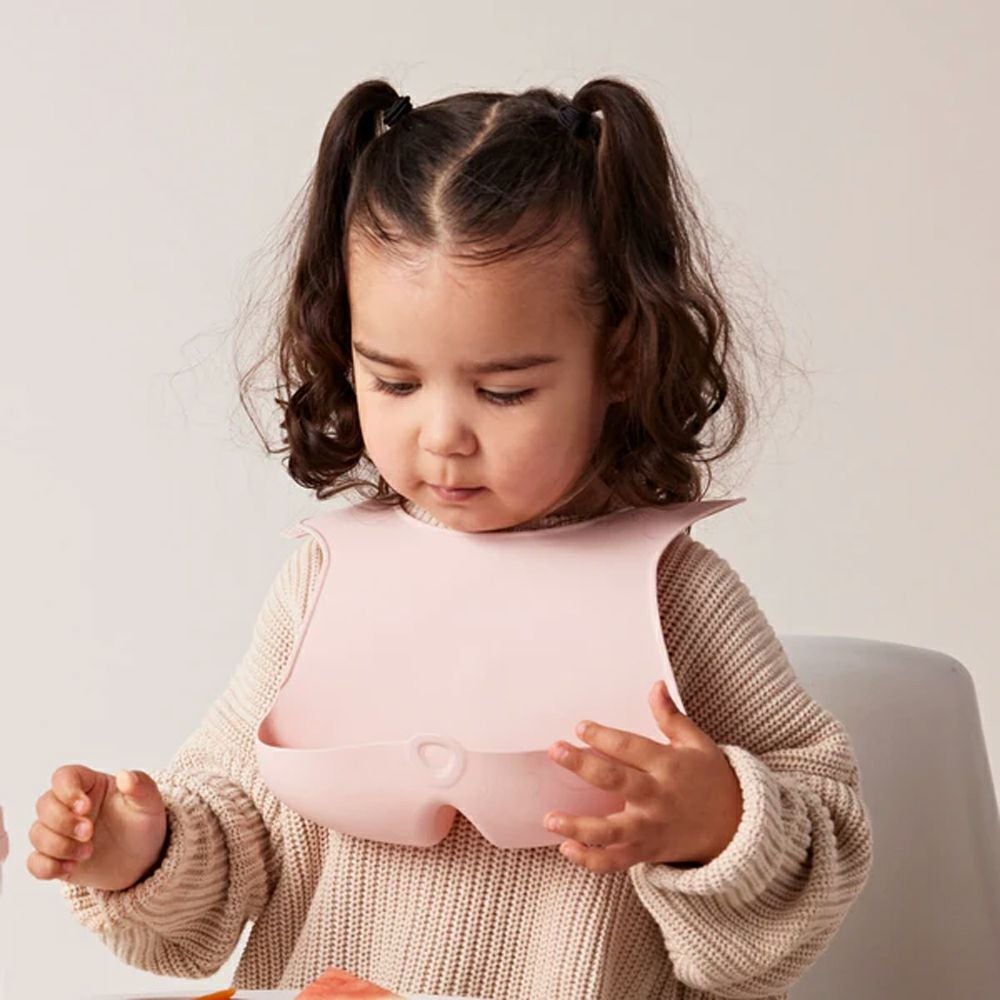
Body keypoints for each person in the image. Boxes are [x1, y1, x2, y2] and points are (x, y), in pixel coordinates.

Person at [28, 77, 874, 1000]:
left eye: (503, 392)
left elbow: (820, 846)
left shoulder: (674, 597)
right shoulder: (324, 584)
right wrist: (142, 849)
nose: (442, 437)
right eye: (394, 383)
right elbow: (237, 836)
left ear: (623, 358)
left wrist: (721, 822)